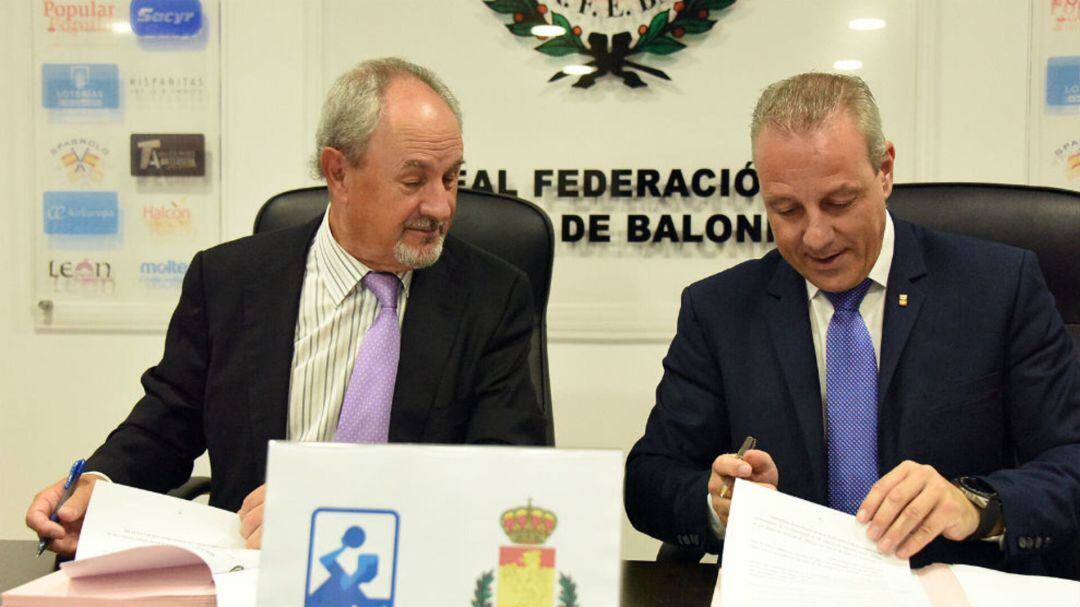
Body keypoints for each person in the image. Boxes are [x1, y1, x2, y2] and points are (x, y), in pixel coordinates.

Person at [27, 57, 547, 555]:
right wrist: (99, 488)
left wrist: (329, 502)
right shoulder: (229, 281)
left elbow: (506, 472)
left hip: (412, 574)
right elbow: (167, 421)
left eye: (452, 177)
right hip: (250, 575)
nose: (441, 205)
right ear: (338, 173)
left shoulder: (490, 296)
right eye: (414, 181)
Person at [624, 72, 1080, 574]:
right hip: (789, 591)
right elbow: (650, 478)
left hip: (952, 587)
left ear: (884, 170)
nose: (815, 237)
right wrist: (720, 505)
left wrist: (975, 505)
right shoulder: (720, 310)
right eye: (786, 209)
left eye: (838, 203)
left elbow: (1070, 460)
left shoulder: (999, 288)